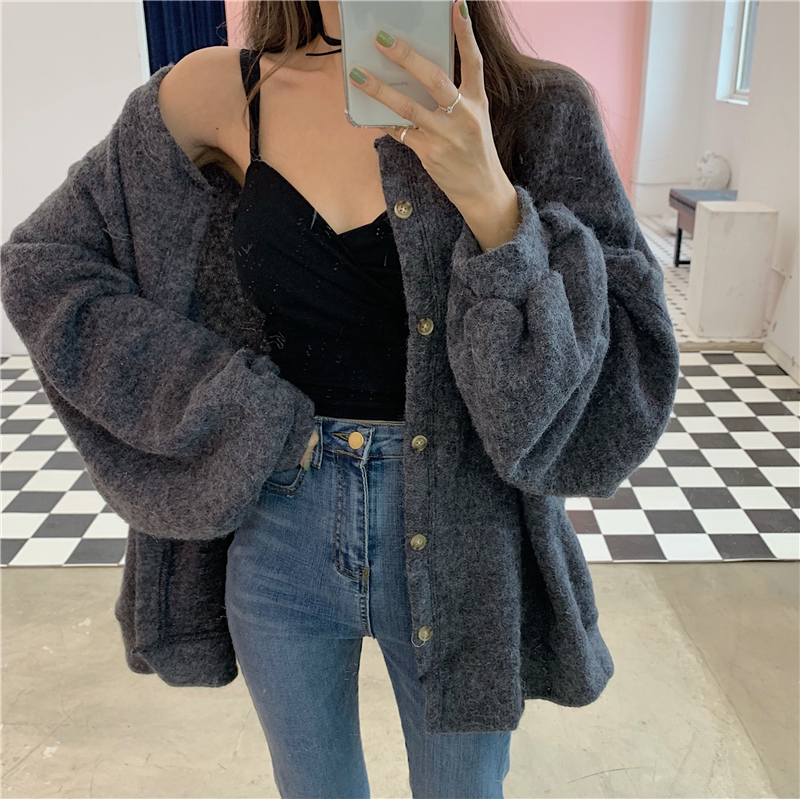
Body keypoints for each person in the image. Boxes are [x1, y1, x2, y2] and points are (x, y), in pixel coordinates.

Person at [1, 0, 681, 796]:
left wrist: (494, 204)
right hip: (281, 522)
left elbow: (624, 378)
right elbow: (44, 265)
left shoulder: (535, 107)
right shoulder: (225, 94)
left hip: (463, 533)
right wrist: (222, 406)